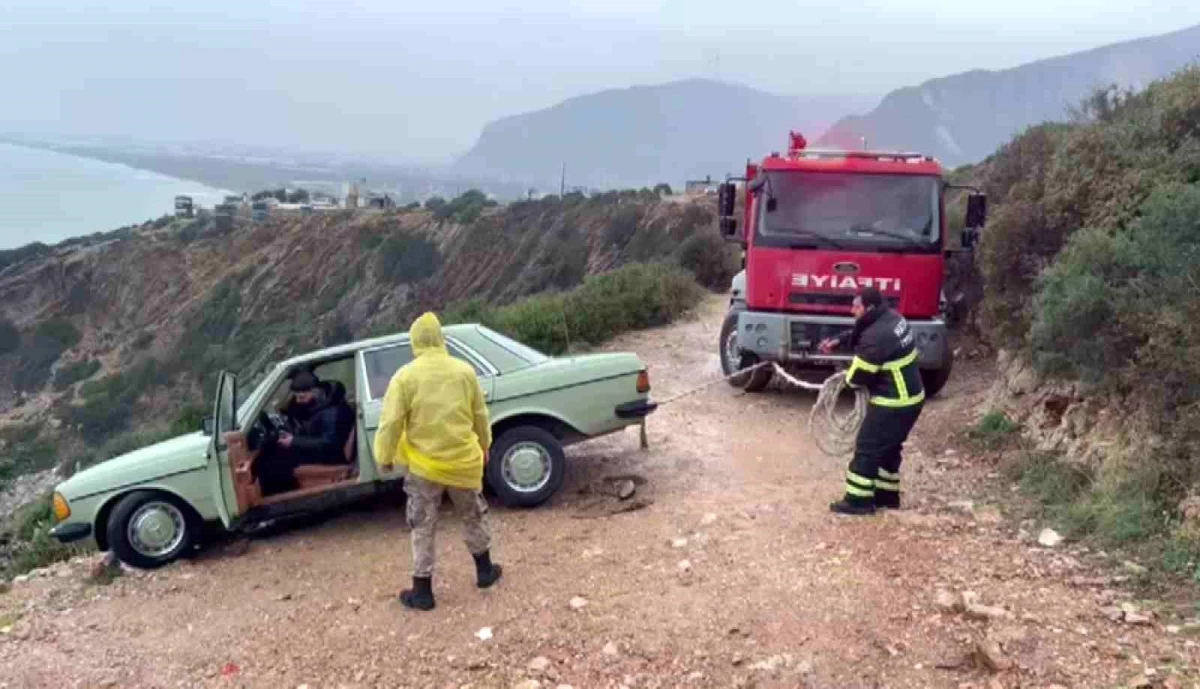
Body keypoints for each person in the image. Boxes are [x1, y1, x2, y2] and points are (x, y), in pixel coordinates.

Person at [373, 311, 501, 611]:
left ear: (415, 341)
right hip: (462, 462)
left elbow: (390, 422)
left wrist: (385, 457)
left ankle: (423, 591)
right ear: (441, 338)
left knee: (423, 525)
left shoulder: (405, 377)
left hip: (423, 467)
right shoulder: (464, 371)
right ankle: (484, 572)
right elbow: (480, 416)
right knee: (473, 515)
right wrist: (486, 445)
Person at [818, 286, 925, 515]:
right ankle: (887, 497)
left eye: (856, 307)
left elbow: (858, 377)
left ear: (870, 308)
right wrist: (838, 340)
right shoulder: (892, 318)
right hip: (911, 398)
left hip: (894, 402)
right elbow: (863, 335)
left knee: (867, 447)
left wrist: (843, 379)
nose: (851, 311)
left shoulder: (877, 337)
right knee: (888, 448)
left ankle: (858, 501)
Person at [257, 371, 355, 495]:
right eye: (296, 397)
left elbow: (331, 444)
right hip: (322, 449)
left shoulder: (333, 413)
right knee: (274, 453)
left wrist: (294, 441)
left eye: (302, 397)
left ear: (316, 391)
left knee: (273, 464)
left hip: (332, 455)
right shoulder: (323, 405)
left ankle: (281, 498)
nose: (298, 401)